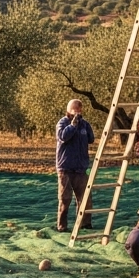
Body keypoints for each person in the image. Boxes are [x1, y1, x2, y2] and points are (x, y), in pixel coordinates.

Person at [55, 99, 94, 232]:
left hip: (80, 167)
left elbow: (91, 139)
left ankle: (85, 223)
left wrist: (84, 127)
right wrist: (73, 125)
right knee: (65, 199)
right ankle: (62, 226)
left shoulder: (84, 124)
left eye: (79, 109)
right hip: (65, 167)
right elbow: (63, 137)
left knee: (85, 198)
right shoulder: (62, 123)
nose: (77, 112)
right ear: (69, 110)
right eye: (74, 109)